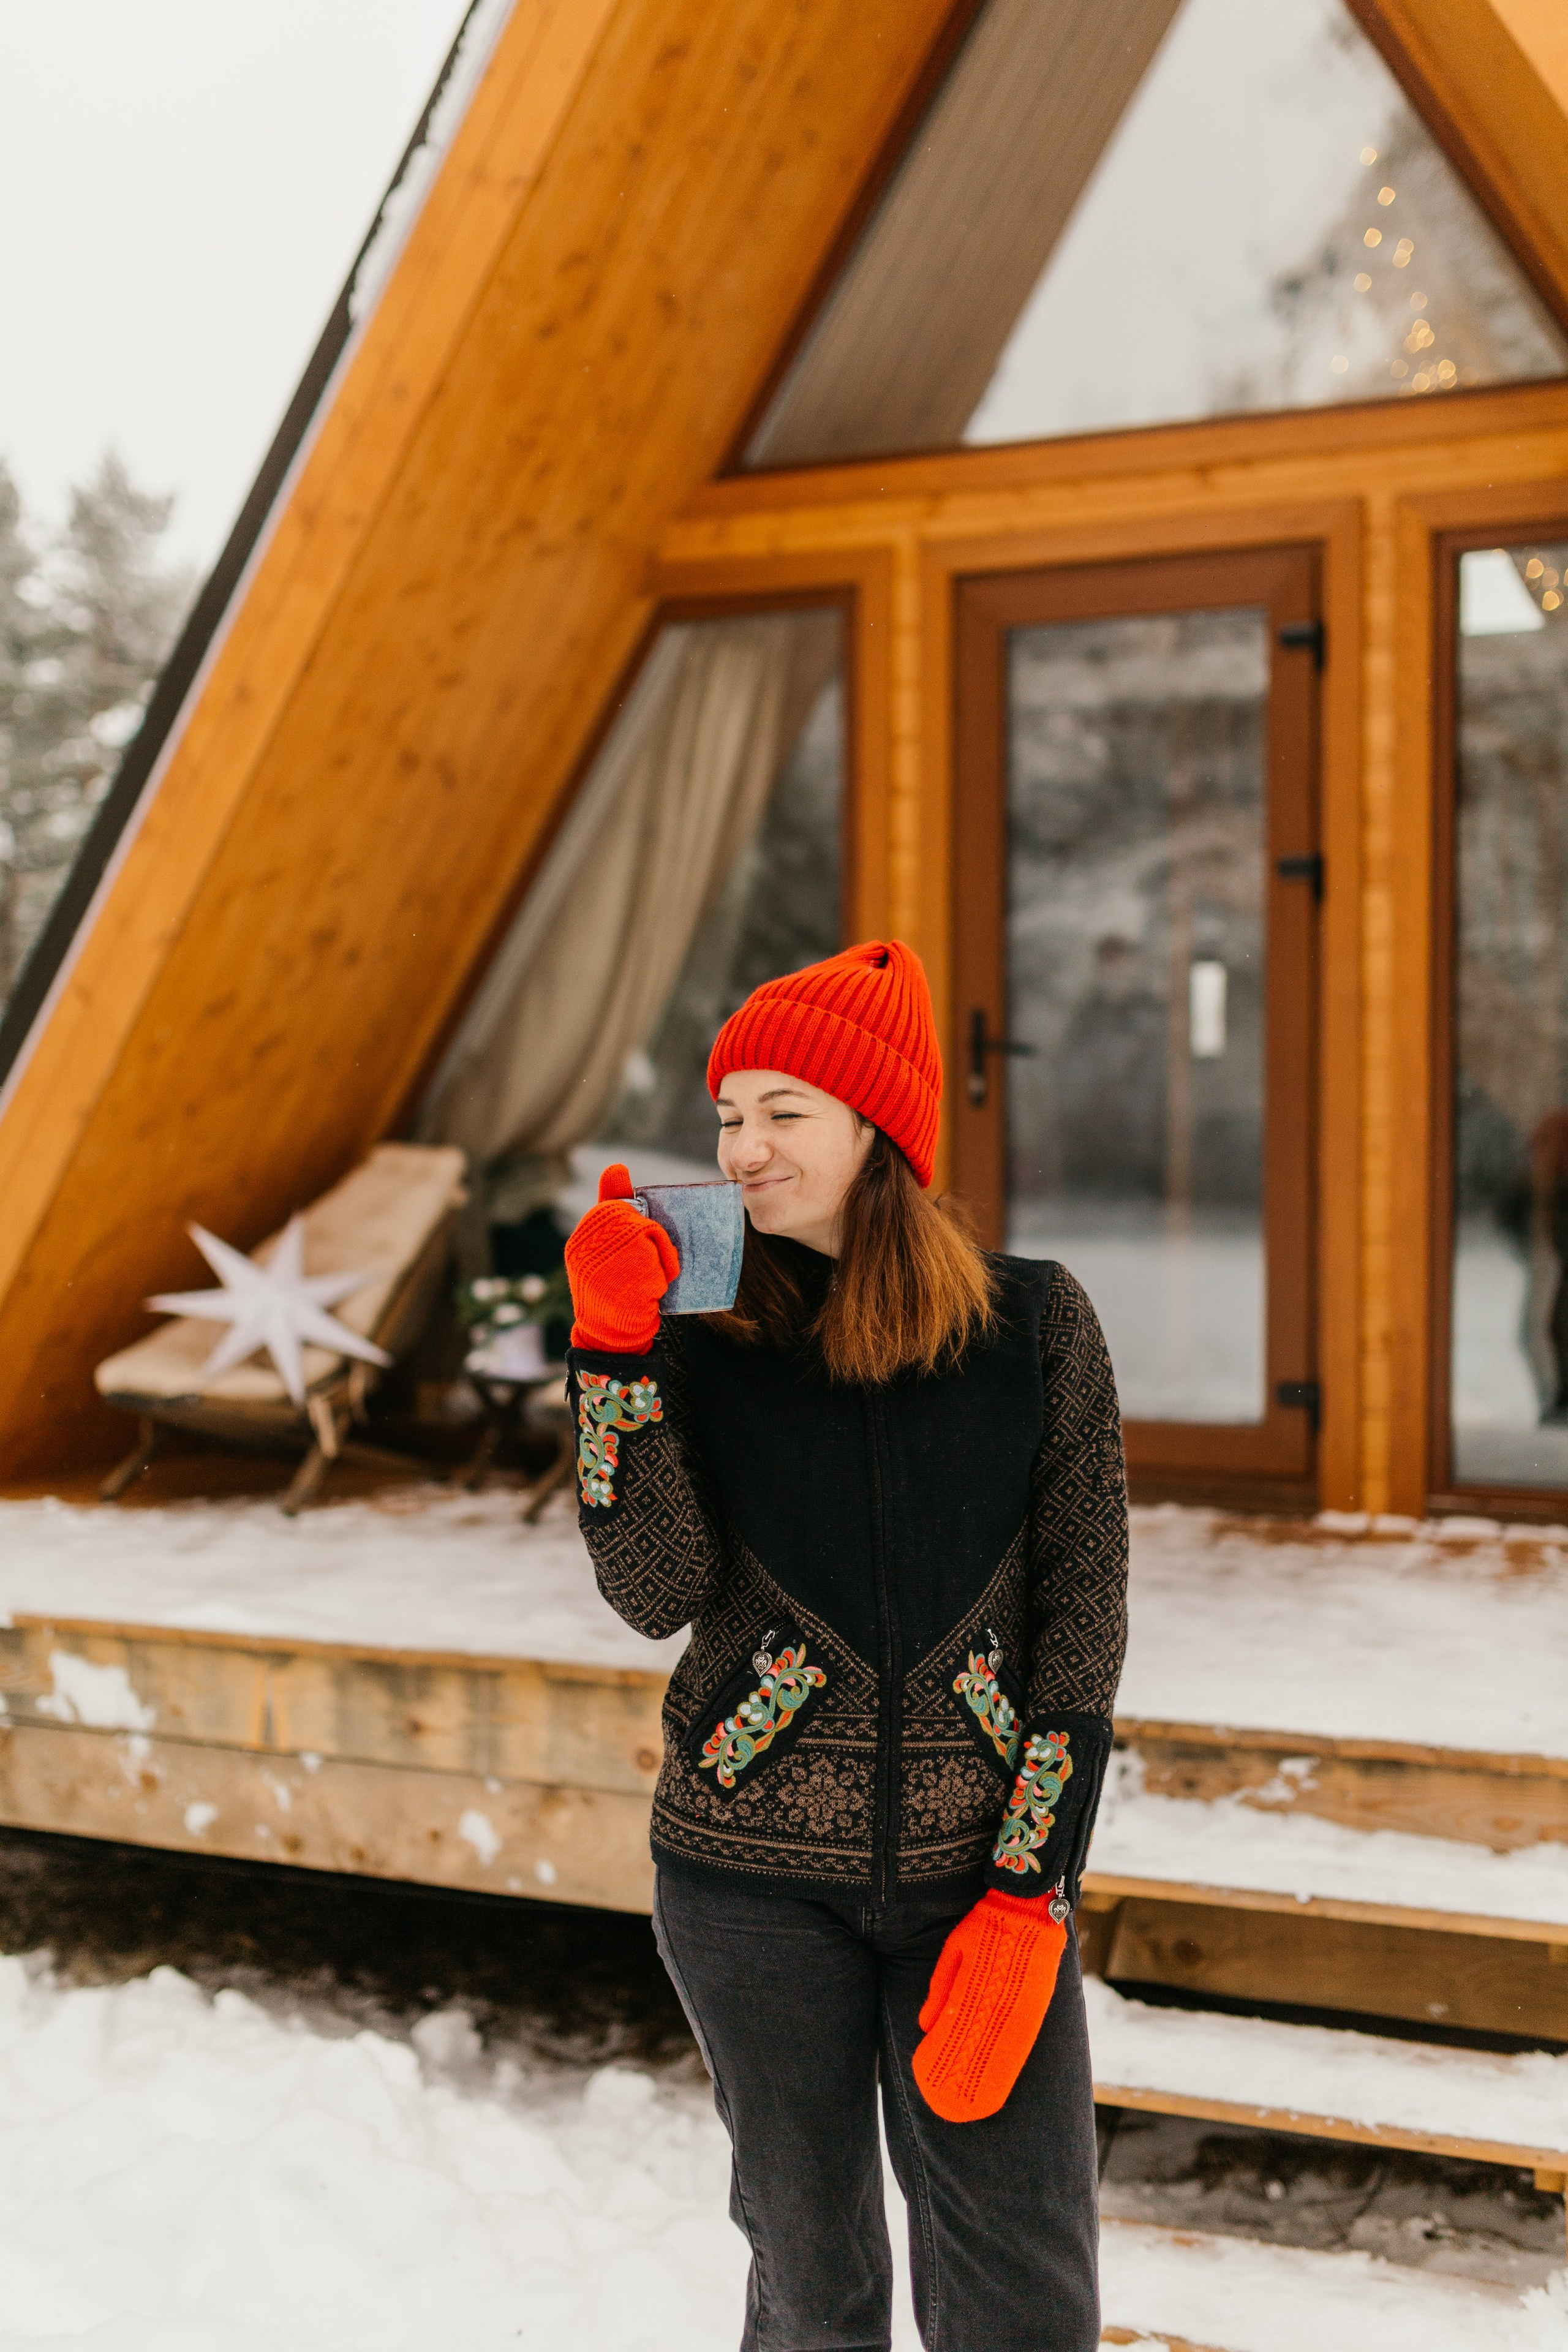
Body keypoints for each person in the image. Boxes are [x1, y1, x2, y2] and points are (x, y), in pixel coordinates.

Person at [564, 939, 1128, 2352]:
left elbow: (1083, 1626)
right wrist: (611, 1368)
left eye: (783, 1113)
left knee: (1022, 2293)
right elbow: (654, 1587)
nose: (743, 1149)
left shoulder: (1032, 1328)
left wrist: (1026, 1892)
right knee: (811, 2289)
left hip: (972, 1886)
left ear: (879, 1129)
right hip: (747, 1888)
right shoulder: (700, 1336)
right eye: (726, 1117)